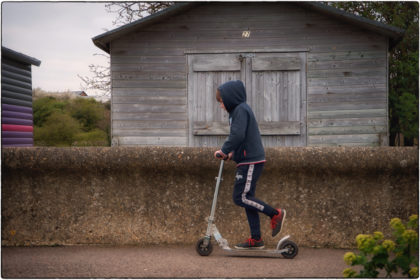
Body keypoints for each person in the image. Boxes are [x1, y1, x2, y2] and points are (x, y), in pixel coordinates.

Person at [214, 80, 286, 250]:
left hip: (251, 161)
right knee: (248, 199)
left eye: (222, 102)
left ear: (230, 98)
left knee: (241, 197)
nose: (221, 106)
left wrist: (224, 150)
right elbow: (243, 138)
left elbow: (238, 135)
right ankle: (256, 239)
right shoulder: (238, 111)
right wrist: (232, 155)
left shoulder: (240, 110)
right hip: (247, 159)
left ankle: (275, 214)